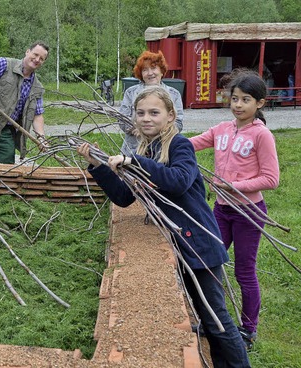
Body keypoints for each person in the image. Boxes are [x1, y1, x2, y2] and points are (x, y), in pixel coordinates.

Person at [77, 86, 251, 367]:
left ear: (171, 116)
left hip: (199, 242)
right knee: (206, 317)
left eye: (154, 113)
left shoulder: (179, 145)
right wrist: (96, 166)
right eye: (140, 112)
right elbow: (123, 197)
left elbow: (179, 180)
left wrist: (135, 161)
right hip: (181, 242)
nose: (146, 118)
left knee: (216, 318)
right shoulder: (148, 148)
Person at [190, 69, 279, 350]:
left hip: (248, 213)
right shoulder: (221, 130)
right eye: (234, 99)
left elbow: (271, 178)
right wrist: (165, 140)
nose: (238, 105)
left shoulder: (262, 136)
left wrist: (236, 185)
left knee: (244, 272)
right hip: (220, 210)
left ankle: (248, 330)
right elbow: (192, 144)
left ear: (260, 104)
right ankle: (211, 318)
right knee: (209, 263)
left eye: (246, 100)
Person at [119, 50, 184, 155]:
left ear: (162, 71)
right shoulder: (130, 93)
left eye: (153, 68)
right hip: (133, 150)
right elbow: (122, 120)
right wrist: (139, 130)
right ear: (141, 74)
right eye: (145, 70)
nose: (150, 73)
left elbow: (178, 124)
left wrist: (157, 132)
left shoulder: (173, 94)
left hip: (162, 151)